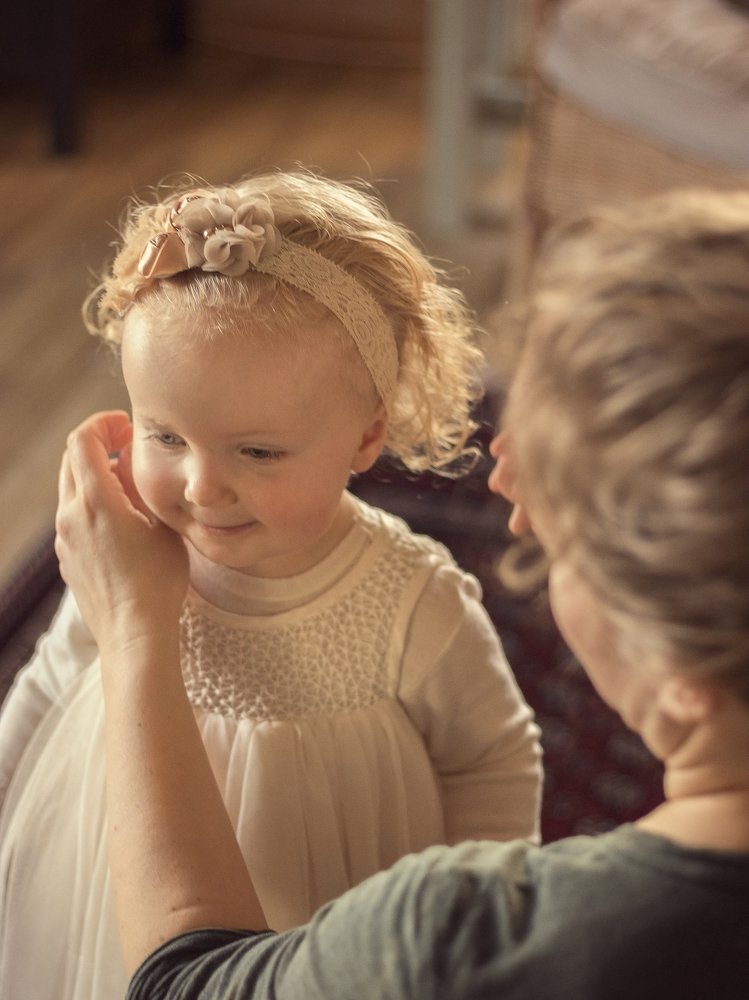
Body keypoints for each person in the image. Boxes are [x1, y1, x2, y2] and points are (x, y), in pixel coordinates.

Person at [56, 187, 749, 999]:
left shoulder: (461, 944)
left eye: (565, 546)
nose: (508, 467)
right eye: (166, 436)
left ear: (685, 671)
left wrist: (134, 628)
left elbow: (187, 985)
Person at [0, 171, 542, 999]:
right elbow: (45, 685)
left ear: (365, 438)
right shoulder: (128, 557)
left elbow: (492, 759)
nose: (201, 488)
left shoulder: (410, 600)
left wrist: (472, 934)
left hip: (328, 918)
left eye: (256, 453)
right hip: (118, 875)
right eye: (166, 435)